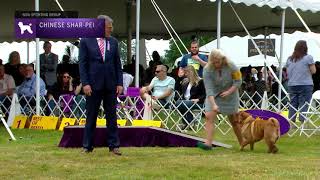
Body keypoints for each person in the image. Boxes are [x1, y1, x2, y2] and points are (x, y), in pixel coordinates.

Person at [79, 15, 123, 155]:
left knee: (112, 116)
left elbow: (117, 64)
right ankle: (87, 146)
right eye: (109, 28)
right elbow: (83, 64)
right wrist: (85, 83)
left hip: (110, 84)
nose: (111, 30)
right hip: (92, 85)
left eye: (111, 28)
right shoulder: (86, 41)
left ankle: (114, 145)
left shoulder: (114, 42)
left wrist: (120, 83)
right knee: (91, 116)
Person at [198, 49, 243, 150]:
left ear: (223, 59)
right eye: (213, 62)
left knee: (234, 121)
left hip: (231, 95)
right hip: (214, 95)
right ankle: (208, 144)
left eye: (218, 61)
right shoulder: (207, 69)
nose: (216, 64)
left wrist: (229, 92)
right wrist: (213, 105)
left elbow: (238, 81)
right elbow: (209, 89)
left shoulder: (232, 66)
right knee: (209, 116)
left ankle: (242, 143)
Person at [286, 40, 316, 123]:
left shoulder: (289, 59)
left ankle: (291, 123)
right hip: (305, 84)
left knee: (293, 104)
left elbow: (288, 72)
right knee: (304, 103)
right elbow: (313, 71)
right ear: (305, 48)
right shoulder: (308, 57)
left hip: (292, 84)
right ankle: (303, 122)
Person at [175, 65, 206, 130]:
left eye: (186, 73)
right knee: (179, 104)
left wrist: (198, 99)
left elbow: (205, 94)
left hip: (197, 102)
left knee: (181, 104)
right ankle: (188, 123)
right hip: (185, 101)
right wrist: (179, 77)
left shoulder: (200, 81)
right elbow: (176, 88)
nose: (185, 75)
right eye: (185, 73)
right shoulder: (185, 81)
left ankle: (187, 123)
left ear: (191, 72)